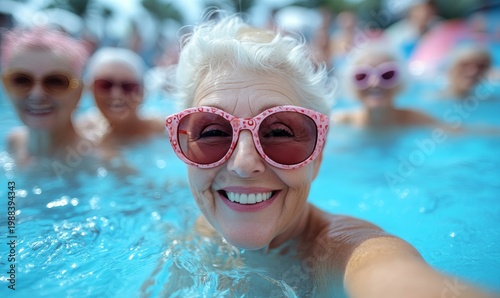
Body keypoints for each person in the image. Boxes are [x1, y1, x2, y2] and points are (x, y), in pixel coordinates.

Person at [162, 15, 495, 297]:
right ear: (183, 150)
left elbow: (390, 272)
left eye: (279, 132)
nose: (244, 164)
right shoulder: (195, 234)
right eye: (213, 132)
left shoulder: (344, 250)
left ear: (318, 155)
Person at [1, 26, 90, 165]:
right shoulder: (13, 143)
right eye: (21, 80)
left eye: (56, 82)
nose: (37, 94)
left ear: (80, 91)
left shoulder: (100, 164)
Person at [332, 45, 438, 128]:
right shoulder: (340, 122)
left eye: (387, 75)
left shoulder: (415, 119)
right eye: (362, 76)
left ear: (400, 80)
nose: (375, 83)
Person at [79, 47, 164, 148]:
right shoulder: (81, 130)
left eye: (128, 87)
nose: (116, 94)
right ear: (90, 88)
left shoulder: (163, 131)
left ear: (142, 93)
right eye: (105, 85)